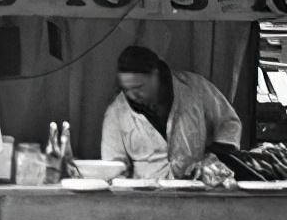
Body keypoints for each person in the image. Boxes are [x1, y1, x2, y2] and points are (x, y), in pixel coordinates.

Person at [101, 45, 242, 179]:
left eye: (138, 87)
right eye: (127, 89)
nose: (132, 95)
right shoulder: (116, 113)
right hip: (145, 196)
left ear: (155, 75)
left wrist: (216, 155)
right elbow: (113, 166)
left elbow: (229, 123)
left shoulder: (195, 87)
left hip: (196, 190)